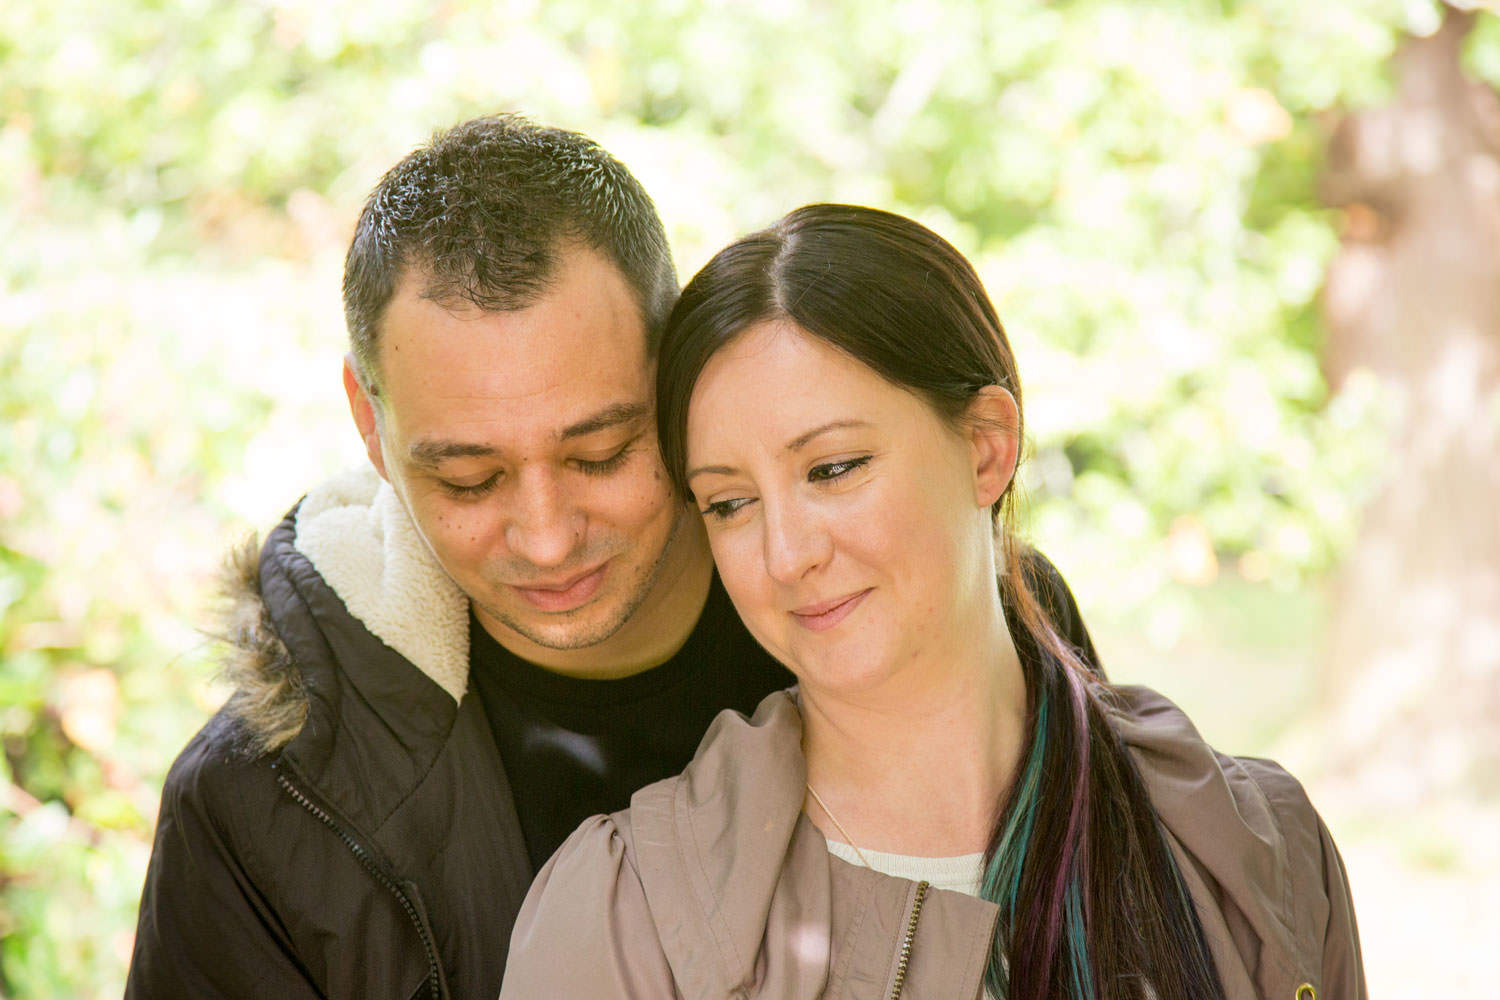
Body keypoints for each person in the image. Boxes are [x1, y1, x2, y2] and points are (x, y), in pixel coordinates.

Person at [125, 121, 1099, 999]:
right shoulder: (264, 803)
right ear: (368, 424)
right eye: (469, 480)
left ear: (674, 372)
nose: (547, 536)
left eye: (600, 454)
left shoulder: (956, 620)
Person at [500, 204, 1367, 1000]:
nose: (787, 555)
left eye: (832, 469)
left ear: (988, 448)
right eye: (730, 504)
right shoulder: (622, 918)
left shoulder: (1257, 850)